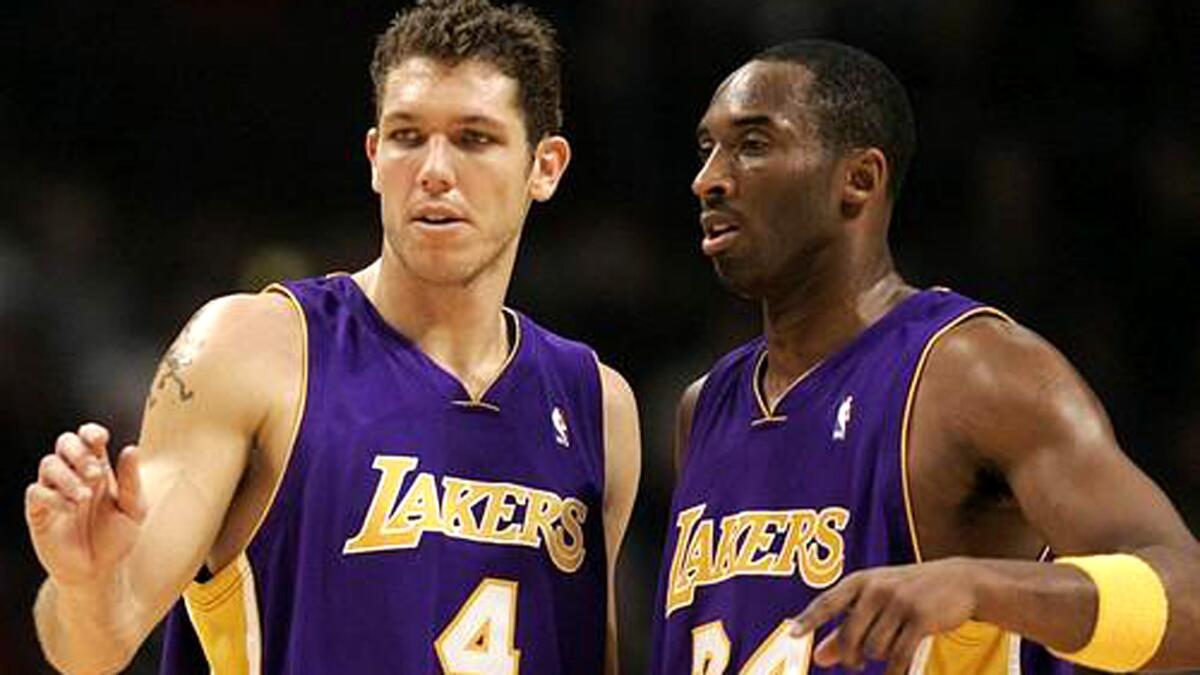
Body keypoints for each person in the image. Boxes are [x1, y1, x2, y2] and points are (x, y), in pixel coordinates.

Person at [24, 1, 641, 673]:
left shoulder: (598, 406)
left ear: (544, 166)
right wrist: (84, 585)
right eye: (408, 135)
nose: (434, 169)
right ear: (376, 156)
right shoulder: (253, 348)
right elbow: (94, 645)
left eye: (474, 138)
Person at [651, 39, 1200, 675]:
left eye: (752, 144)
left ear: (858, 180)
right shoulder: (706, 403)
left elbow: (1189, 602)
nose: (708, 179)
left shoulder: (972, 369)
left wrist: (979, 586)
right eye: (706, 149)